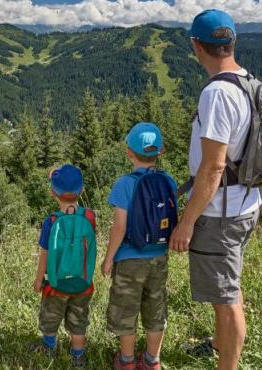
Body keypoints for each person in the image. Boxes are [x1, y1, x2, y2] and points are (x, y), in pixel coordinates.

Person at [169, 9, 262, 370]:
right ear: (232, 42)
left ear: (196, 46)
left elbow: (214, 166)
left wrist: (187, 221)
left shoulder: (218, 94)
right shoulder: (247, 82)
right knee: (227, 284)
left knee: (227, 299)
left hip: (219, 212)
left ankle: (228, 364)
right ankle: (217, 344)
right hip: (245, 203)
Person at [102, 123, 177, 370]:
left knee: (127, 308)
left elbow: (119, 228)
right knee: (156, 307)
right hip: (159, 256)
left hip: (130, 259)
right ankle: (152, 360)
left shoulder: (124, 184)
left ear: (128, 153)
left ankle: (126, 361)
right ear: (161, 151)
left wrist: (109, 258)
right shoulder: (169, 181)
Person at [31, 164, 95, 369]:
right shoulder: (90, 217)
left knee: (50, 315)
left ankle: (49, 346)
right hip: (83, 282)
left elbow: (45, 254)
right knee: (78, 320)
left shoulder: (51, 221)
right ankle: (78, 356)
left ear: (52, 192)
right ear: (81, 190)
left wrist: (39, 279)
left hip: (56, 284)